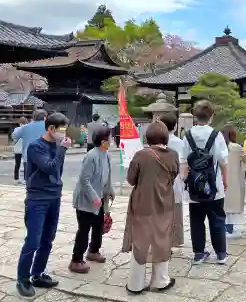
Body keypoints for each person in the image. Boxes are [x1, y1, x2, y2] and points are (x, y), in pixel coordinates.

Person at [16, 112, 71, 298]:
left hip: (54, 196)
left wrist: (60, 150)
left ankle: (37, 274)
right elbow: (49, 167)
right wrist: (62, 150)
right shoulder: (35, 147)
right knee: (33, 240)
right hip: (37, 199)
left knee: (48, 238)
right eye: (62, 130)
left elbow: (58, 171)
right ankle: (22, 279)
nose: (64, 134)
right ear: (51, 128)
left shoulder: (56, 145)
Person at [122, 122, 178, 294]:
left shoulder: (140, 155)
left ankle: (135, 284)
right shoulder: (173, 154)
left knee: (140, 241)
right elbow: (174, 176)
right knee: (162, 239)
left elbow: (131, 180)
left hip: (142, 204)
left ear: (147, 138)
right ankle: (161, 280)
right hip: (165, 204)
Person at [180, 100, 229, 265]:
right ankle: (221, 253)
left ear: (194, 116)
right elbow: (223, 161)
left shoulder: (187, 136)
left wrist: (186, 181)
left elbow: (183, 162)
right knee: (217, 219)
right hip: (214, 185)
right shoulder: (217, 135)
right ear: (212, 116)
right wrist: (226, 180)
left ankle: (199, 253)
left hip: (194, 185)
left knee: (196, 219)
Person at [69, 127, 114, 273]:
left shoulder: (106, 155)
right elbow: (84, 179)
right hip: (85, 200)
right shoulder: (91, 156)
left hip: (99, 198)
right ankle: (76, 260)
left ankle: (93, 251)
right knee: (84, 229)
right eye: (110, 138)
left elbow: (107, 175)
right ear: (103, 141)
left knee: (99, 225)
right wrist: (94, 197)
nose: (112, 140)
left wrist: (109, 190)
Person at [159, 113, 185, 249]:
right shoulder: (180, 143)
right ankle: (175, 239)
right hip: (176, 181)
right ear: (175, 127)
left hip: (159, 182)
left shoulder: (156, 142)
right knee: (176, 211)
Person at [222, 124, 246, 239]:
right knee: (231, 206)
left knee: (223, 205)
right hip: (234, 180)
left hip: (221, 179)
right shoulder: (237, 148)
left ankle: (224, 228)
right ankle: (229, 229)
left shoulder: (220, 146)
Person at [12, 110, 48, 182]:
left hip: (28, 157)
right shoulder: (48, 127)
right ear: (44, 117)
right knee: (44, 180)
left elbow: (14, 136)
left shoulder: (25, 127)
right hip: (45, 157)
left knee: (30, 181)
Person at [13, 117, 28, 182]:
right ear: (26, 122)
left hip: (17, 149)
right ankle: (25, 179)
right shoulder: (28, 129)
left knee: (17, 164)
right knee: (26, 164)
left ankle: (16, 179)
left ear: (19, 123)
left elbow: (14, 138)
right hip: (25, 149)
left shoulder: (16, 129)